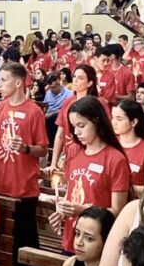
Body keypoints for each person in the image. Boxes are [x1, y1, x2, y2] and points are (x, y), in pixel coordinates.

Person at [50, 97, 129, 254]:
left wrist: (83, 211)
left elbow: (117, 210)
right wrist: (63, 211)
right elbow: (72, 192)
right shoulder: (73, 151)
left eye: (81, 126)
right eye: (74, 127)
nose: (76, 132)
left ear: (96, 121)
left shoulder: (115, 159)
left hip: (97, 240)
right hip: (72, 236)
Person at [0, 62, 48, 266]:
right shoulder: (1, 107)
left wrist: (26, 148)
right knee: (2, 238)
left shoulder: (34, 111)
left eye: (4, 80)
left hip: (24, 188)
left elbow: (43, 149)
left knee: (25, 239)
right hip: (1, 183)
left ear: (18, 83)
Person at [111, 100, 144, 196]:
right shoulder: (110, 144)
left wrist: (122, 187)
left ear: (134, 122)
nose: (114, 122)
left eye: (119, 119)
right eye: (112, 117)